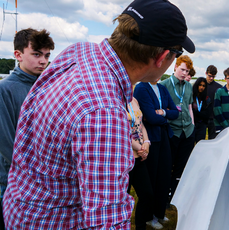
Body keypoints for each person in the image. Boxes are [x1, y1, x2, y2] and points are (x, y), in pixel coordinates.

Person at [2, 0, 195, 228]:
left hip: (21, 208)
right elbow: (107, 220)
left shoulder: (78, 51)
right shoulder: (104, 113)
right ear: (163, 57)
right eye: (176, 53)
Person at [0, 28, 54, 229]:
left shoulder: (48, 87)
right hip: (14, 180)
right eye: (36, 54)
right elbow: (5, 142)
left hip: (46, 179)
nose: (43, 61)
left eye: (47, 55)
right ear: (18, 55)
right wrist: (33, 171)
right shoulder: (5, 89)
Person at [134, 79, 179, 229]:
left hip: (164, 136)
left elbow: (175, 113)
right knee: (152, 178)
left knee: (164, 176)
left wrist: (163, 112)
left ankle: (159, 213)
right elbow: (150, 118)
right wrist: (165, 117)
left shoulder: (161, 88)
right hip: (151, 138)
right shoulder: (141, 88)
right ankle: (148, 217)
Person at [160, 55, 195, 200]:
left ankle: (176, 194)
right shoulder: (165, 84)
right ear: (175, 66)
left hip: (187, 131)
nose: (184, 73)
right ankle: (165, 194)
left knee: (181, 165)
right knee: (168, 164)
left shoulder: (188, 86)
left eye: (187, 71)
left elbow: (189, 106)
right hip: (172, 130)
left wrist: (192, 124)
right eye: (182, 69)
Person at [126, 97, 152, 230]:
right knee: (123, 197)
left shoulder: (134, 100)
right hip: (126, 157)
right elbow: (122, 131)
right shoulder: (116, 99)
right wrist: (140, 148)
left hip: (139, 156)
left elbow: (140, 124)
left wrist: (146, 143)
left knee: (147, 194)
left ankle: (140, 226)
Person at [205, 65, 222, 139]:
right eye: (210, 76)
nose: (211, 78)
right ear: (206, 73)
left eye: (213, 76)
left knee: (212, 140)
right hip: (202, 118)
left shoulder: (219, 88)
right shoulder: (200, 85)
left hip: (214, 118)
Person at [192, 77, 210, 143]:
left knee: (200, 145)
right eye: (200, 85)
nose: (201, 87)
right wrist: (199, 114)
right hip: (192, 125)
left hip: (202, 125)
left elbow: (207, 114)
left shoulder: (207, 99)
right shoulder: (191, 96)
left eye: (203, 86)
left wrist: (196, 113)